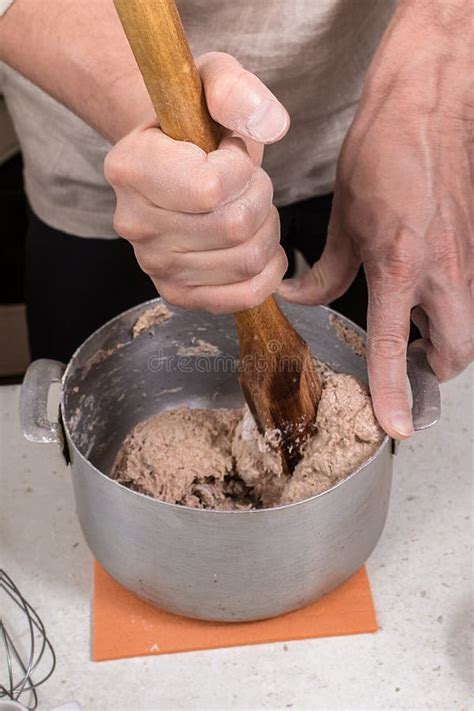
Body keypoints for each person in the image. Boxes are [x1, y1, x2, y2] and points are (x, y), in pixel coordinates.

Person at [0, 0, 471, 441]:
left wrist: (433, 86)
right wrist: (161, 142)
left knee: (391, 367)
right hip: (126, 169)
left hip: (384, 124)